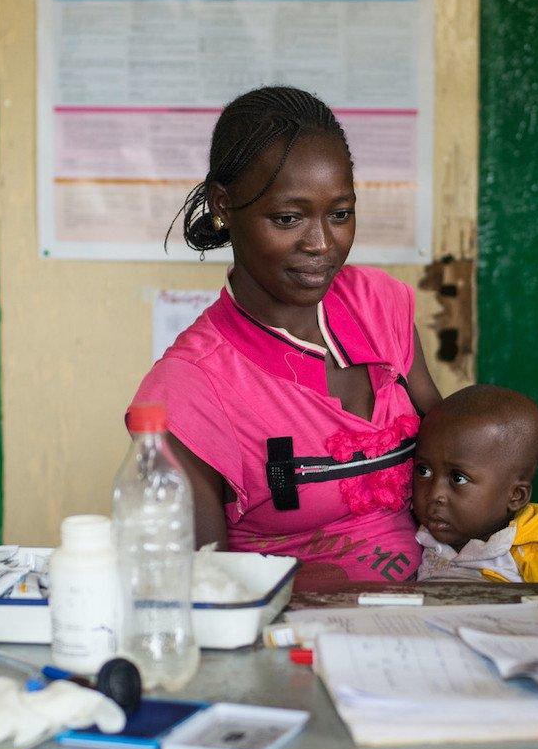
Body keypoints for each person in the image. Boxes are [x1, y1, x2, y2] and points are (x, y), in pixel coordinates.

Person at [129, 86, 442, 584]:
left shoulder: (380, 305)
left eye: (340, 214)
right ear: (223, 206)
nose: (321, 244)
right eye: (289, 218)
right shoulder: (192, 387)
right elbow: (203, 587)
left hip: (435, 600)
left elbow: (450, 454)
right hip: (299, 634)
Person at [412, 384, 538, 583]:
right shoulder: (418, 535)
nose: (434, 494)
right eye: (423, 471)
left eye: (458, 478)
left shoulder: (534, 552)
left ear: (515, 496)